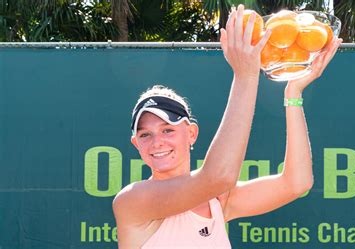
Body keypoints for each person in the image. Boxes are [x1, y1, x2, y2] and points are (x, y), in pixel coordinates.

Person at [112, 4, 342, 249]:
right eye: (145, 134)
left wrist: (293, 93)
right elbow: (218, 177)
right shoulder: (132, 200)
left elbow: (297, 183)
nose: (157, 141)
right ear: (136, 144)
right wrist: (245, 76)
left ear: (191, 133)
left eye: (168, 129)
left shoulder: (218, 201)